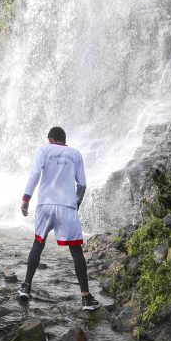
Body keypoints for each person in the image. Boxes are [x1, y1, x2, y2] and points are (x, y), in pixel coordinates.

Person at [18, 127, 100, 311]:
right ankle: (86, 298)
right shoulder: (75, 154)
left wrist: (25, 199)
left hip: (45, 205)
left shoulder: (44, 150)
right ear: (64, 139)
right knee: (76, 250)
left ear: (51, 139)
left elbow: (34, 174)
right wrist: (75, 204)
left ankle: (26, 287)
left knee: (38, 244)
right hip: (67, 206)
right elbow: (83, 184)